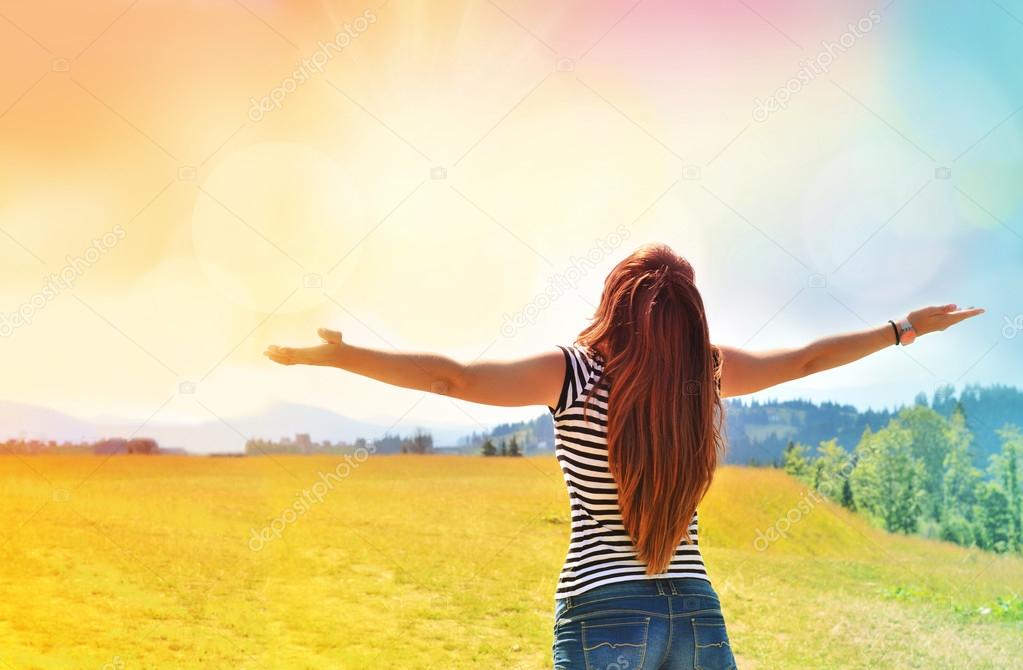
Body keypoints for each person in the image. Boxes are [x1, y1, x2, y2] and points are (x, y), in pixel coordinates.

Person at [264, 243, 984, 669]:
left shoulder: (574, 372)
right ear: (689, 317)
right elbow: (802, 362)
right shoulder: (707, 371)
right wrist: (900, 329)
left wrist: (343, 355)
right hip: (695, 610)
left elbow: (452, 377)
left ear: (614, 300)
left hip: (601, 608)